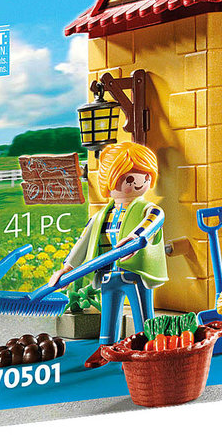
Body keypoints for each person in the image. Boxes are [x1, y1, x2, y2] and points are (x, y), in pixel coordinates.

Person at [50, 143, 167, 368]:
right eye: (129, 178)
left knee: (143, 316)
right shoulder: (100, 217)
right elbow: (82, 244)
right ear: (109, 180)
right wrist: (66, 269)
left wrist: (136, 237)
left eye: (145, 176)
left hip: (134, 273)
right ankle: (106, 349)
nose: (139, 182)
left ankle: (145, 350)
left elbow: (154, 221)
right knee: (109, 316)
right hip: (107, 275)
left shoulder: (148, 209)